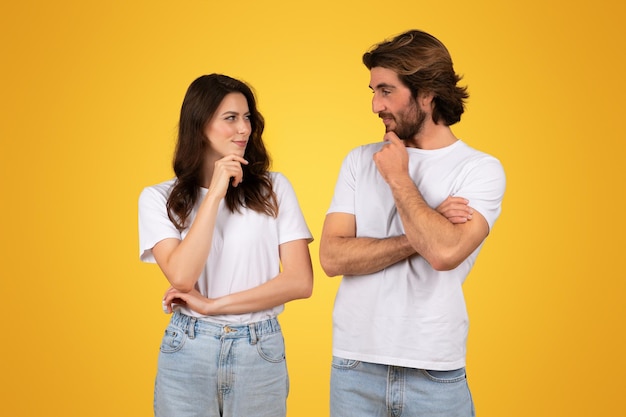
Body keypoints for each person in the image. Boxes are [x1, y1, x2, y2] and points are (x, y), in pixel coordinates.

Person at [320, 30, 506, 417]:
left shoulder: (480, 169)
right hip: (355, 366)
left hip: (434, 371)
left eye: (386, 91)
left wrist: (399, 178)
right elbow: (332, 257)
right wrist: (431, 222)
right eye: (372, 91)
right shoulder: (358, 160)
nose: (375, 105)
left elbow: (443, 252)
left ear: (427, 93)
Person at [138, 74, 314, 417]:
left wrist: (214, 306)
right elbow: (182, 278)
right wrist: (215, 193)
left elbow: (299, 281)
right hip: (188, 349)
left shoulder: (273, 188)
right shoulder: (157, 198)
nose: (244, 129)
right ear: (199, 125)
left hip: (259, 348)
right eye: (230, 118)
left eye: (247, 117)